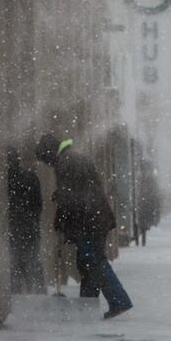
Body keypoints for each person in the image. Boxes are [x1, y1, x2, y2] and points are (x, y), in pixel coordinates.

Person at [35, 134, 133, 319]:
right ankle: (87, 304)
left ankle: (119, 300)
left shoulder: (66, 161)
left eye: (47, 160)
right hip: (93, 218)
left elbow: (73, 197)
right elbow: (78, 190)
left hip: (89, 221)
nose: (49, 165)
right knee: (87, 263)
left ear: (50, 153)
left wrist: (61, 218)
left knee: (94, 259)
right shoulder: (70, 158)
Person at [6, 146, 45, 294]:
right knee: (33, 262)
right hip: (30, 226)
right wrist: (32, 218)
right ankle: (38, 295)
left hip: (12, 227)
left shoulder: (4, 179)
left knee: (14, 264)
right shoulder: (30, 176)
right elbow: (38, 204)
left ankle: (16, 297)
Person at [137, 160, 161, 246]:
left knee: (144, 225)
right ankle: (143, 238)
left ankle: (143, 238)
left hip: (146, 207)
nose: (146, 171)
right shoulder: (140, 180)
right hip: (143, 207)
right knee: (143, 224)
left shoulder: (150, 181)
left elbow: (155, 196)